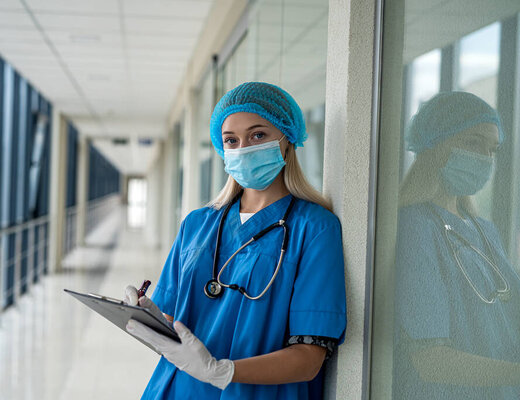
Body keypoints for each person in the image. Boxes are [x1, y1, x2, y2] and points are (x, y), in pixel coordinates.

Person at [123, 82, 347, 399]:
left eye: (258, 135)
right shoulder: (197, 224)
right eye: (231, 140)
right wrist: (147, 315)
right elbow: (173, 320)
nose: (243, 148)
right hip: (177, 390)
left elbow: (309, 359)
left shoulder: (315, 229)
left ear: (287, 140)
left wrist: (222, 371)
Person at [393, 91, 520, 399]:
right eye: (473, 143)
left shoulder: (483, 230)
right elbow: (431, 361)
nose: (485, 159)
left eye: (492, 149)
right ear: (434, 145)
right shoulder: (414, 228)